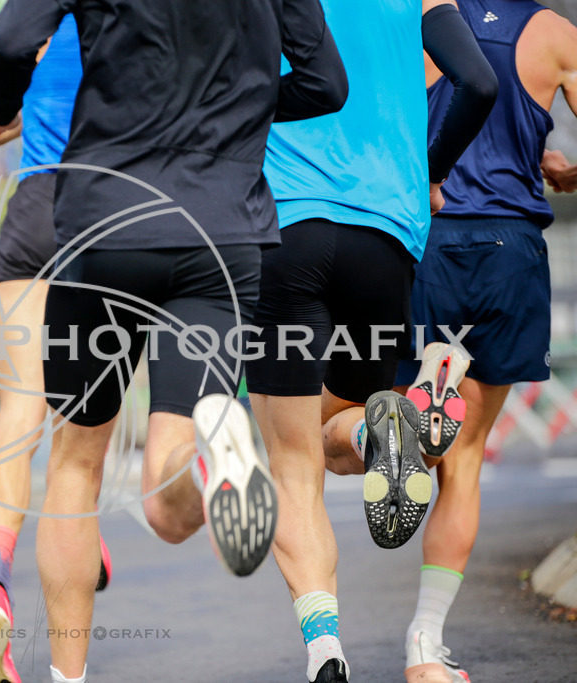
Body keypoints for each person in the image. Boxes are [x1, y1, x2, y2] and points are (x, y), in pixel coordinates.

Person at [0, 0, 349, 680]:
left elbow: (15, 33)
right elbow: (326, 83)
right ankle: (205, 462)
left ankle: (67, 676)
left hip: (106, 223)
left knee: (75, 464)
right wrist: (239, 116)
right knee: (165, 491)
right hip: (222, 231)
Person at [245, 0, 498, 680]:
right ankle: (375, 434)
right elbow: (478, 82)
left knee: (291, 463)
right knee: (339, 425)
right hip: (386, 243)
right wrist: (431, 170)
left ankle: (325, 647)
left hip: (284, 230)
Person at [393, 2, 577, 681]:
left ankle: (403, 429)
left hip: (427, 238)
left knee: (404, 424)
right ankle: (424, 645)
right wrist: (563, 172)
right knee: (464, 464)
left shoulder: (418, 20)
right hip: (509, 247)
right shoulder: (555, 34)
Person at [0, 18, 114, 683]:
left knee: (20, 407)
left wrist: (33, 107)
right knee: (82, 433)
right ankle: (79, 535)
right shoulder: (136, 18)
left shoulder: (38, 27)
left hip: (34, 203)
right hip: (108, 206)